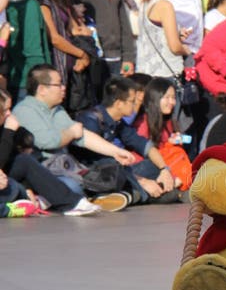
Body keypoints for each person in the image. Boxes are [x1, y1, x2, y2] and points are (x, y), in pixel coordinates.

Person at [12, 64, 134, 198]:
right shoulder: (25, 110)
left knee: (114, 172)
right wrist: (71, 133)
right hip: (42, 171)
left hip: (64, 167)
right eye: (58, 84)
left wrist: (116, 152)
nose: (64, 88)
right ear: (42, 89)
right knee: (72, 187)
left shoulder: (56, 109)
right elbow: (48, 142)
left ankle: (95, 197)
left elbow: (82, 136)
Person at [78, 76, 180, 203]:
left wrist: (164, 169)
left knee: (153, 165)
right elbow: (99, 163)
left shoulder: (118, 122)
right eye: (132, 101)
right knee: (116, 170)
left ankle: (134, 194)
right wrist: (142, 181)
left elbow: (145, 145)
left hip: (119, 170)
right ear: (119, 104)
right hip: (94, 174)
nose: (137, 103)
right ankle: (134, 194)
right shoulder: (91, 120)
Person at [0, 86, 98, 215]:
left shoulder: (6, 126)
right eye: (5, 110)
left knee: (23, 163)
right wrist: (8, 131)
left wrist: (27, 186)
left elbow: (16, 159)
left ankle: (71, 203)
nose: (9, 114)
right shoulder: (9, 127)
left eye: (10, 109)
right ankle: (21, 200)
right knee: (14, 188)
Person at [37, 0, 90, 90]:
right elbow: (55, 39)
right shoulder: (43, 4)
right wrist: (81, 54)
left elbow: (72, 30)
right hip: (55, 67)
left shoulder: (58, 1)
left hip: (69, 67)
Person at [4, 0, 51, 101]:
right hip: (29, 80)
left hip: (11, 76)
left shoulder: (5, 2)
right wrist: (43, 79)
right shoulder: (29, 4)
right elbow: (33, 49)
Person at [135, 0, 192, 77]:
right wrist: (185, 50)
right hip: (165, 73)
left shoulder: (146, 2)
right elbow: (175, 47)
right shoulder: (165, 6)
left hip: (145, 71)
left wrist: (178, 35)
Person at [135, 77, 192, 189]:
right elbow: (140, 156)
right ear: (154, 98)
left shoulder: (168, 122)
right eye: (167, 97)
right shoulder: (143, 123)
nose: (172, 102)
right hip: (147, 169)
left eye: (173, 98)